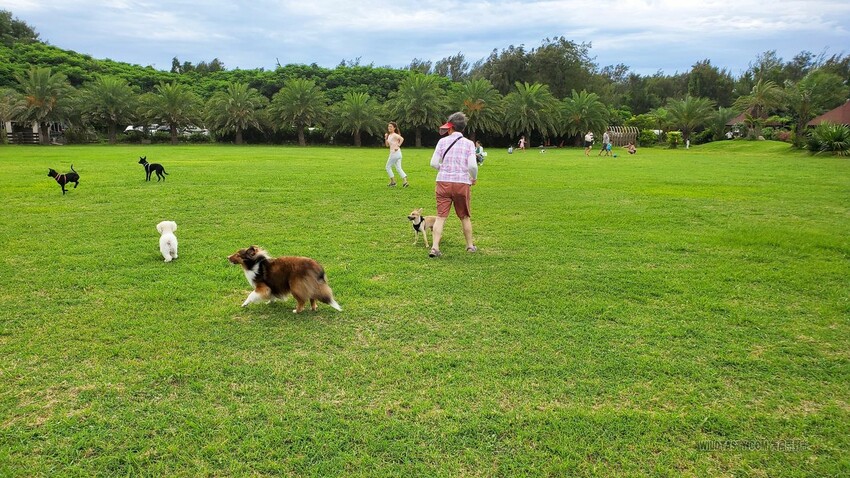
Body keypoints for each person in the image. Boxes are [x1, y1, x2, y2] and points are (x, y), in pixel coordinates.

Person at [428, 112, 478, 258]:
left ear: (450, 128)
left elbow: (433, 163)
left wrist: (443, 168)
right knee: (464, 217)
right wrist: (473, 178)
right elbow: (473, 166)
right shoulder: (469, 144)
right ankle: (469, 246)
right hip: (461, 183)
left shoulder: (442, 142)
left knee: (441, 216)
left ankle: (435, 248)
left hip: (443, 182)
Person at [384, 121, 407, 187]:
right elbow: (387, 145)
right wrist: (385, 138)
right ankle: (405, 181)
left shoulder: (394, 135)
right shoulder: (389, 135)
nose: (389, 128)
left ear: (394, 128)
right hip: (397, 154)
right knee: (399, 168)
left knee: (387, 167)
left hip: (394, 153)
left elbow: (402, 139)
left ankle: (393, 182)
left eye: (391, 126)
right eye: (388, 126)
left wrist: (398, 145)